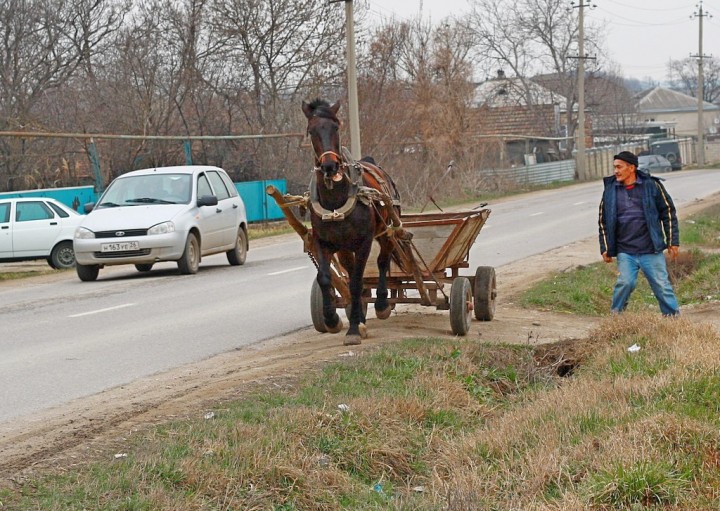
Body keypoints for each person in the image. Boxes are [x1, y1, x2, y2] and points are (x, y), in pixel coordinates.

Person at [598, 151, 680, 316]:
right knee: (625, 282)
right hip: (625, 250)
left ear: (632, 167)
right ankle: (616, 318)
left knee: (661, 285)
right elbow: (603, 220)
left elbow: (668, 212)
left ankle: (672, 318)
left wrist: (673, 241)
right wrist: (605, 248)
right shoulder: (610, 190)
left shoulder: (651, 186)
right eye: (614, 167)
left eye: (619, 167)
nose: (616, 171)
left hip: (650, 249)